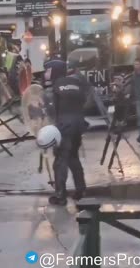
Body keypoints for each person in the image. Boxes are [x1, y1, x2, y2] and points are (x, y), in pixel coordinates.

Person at [47, 60, 91, 206]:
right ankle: (81, 190)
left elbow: (53, 111)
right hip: (78, 125)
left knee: (60, 161)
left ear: (55, 71)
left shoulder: (56, 86)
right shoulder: (76, 83)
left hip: (64, 127)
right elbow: (85, 101)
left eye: (48, 70)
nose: (46, 73)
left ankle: (60, 195)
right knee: (73, 158)